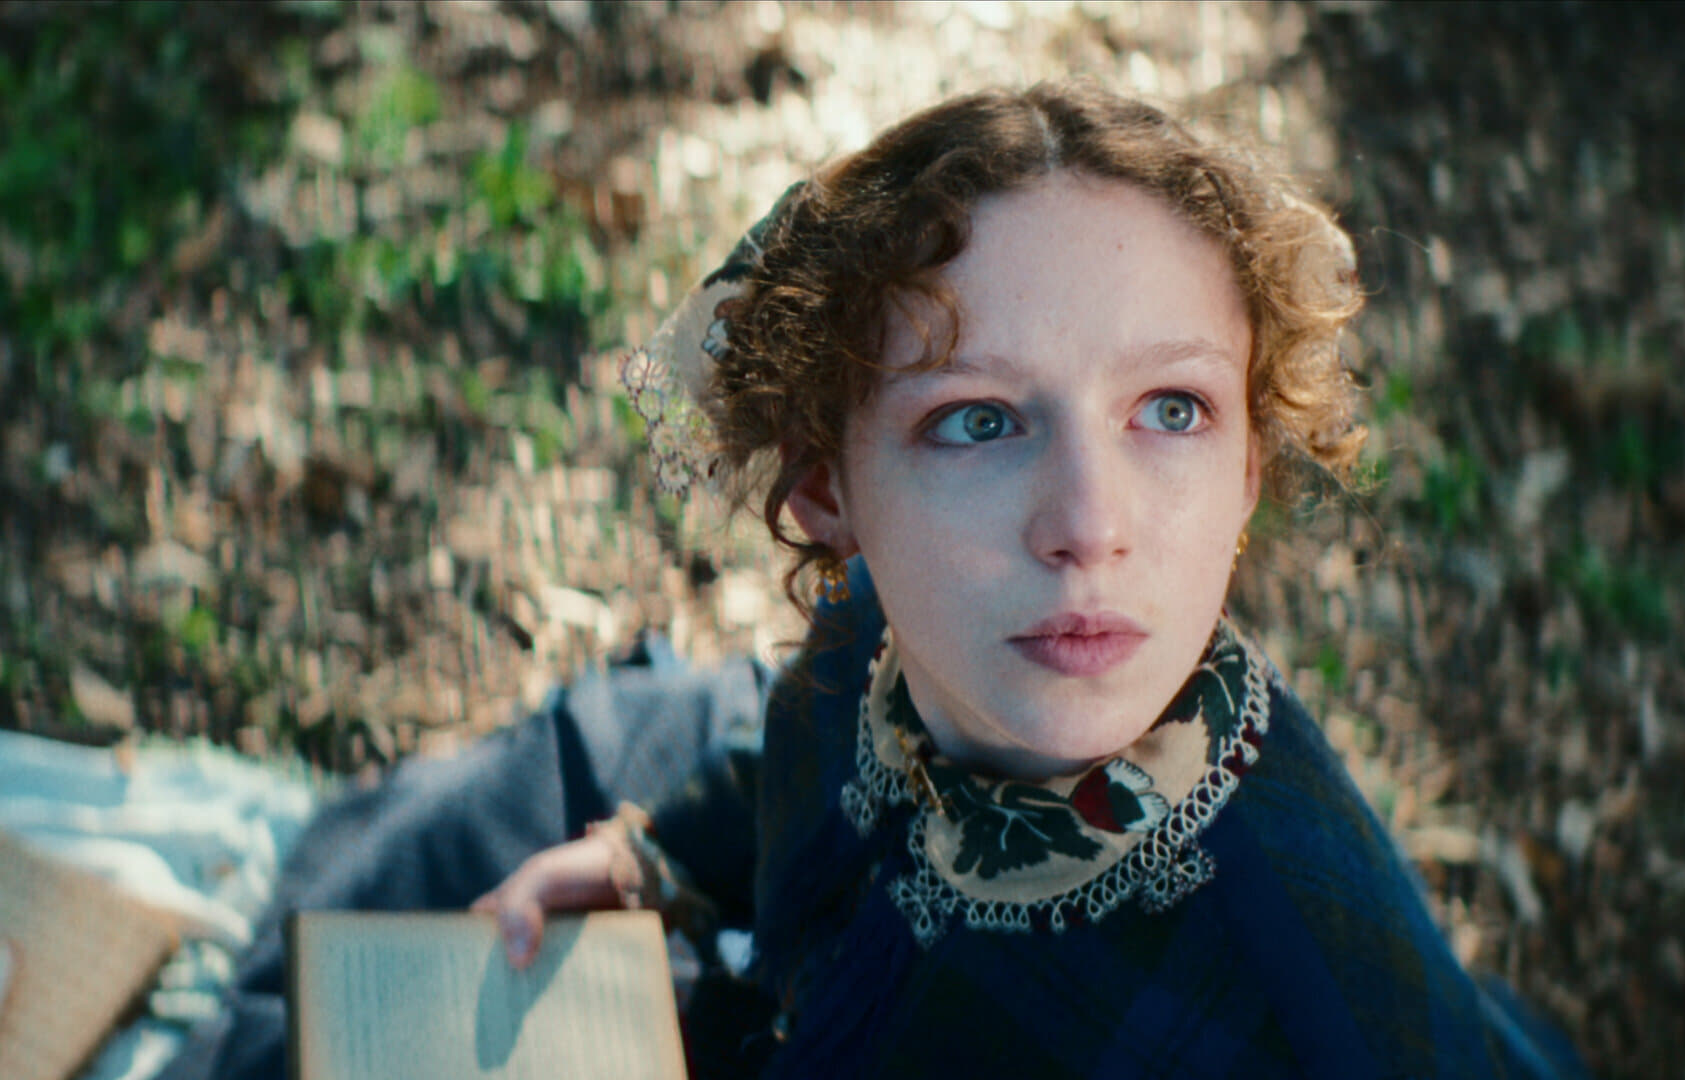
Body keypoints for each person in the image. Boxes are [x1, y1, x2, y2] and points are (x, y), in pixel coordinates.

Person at [159, 81, 1589, 1080]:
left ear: (1250, 471)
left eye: (1171, 410)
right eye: (979, 421)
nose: (1088, 527)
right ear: (827, 489)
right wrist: (653, 861)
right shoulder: (876, 641)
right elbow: (799, 751)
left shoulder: (1286, 972)